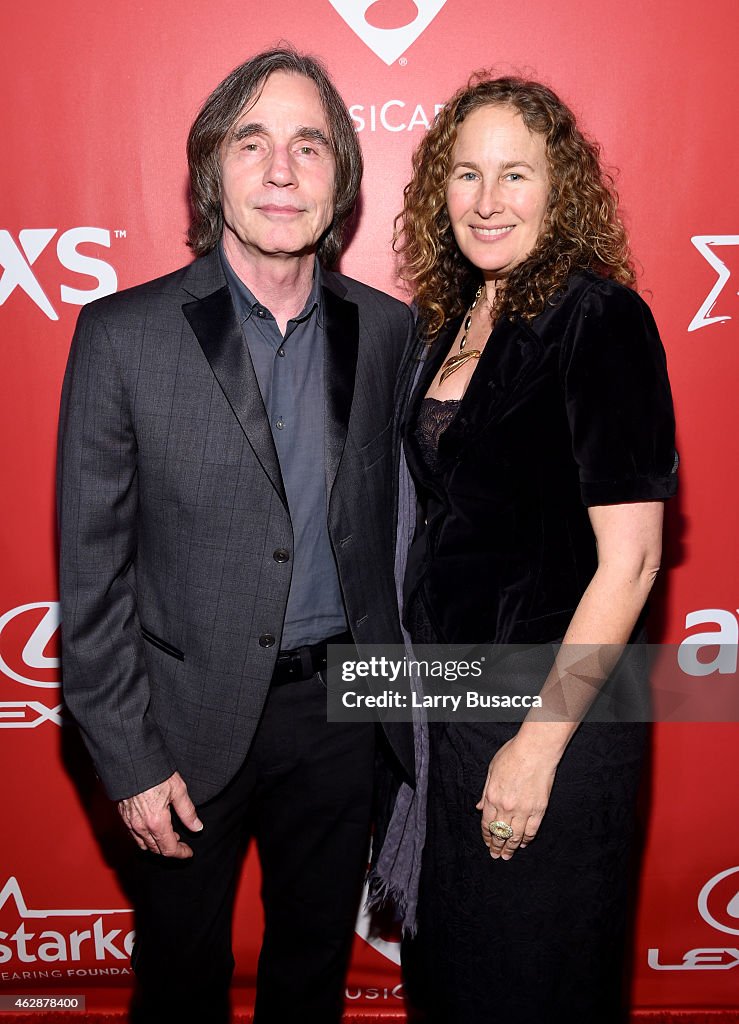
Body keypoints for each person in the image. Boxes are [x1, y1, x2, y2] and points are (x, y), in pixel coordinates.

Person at [57, 48, 414, 1024]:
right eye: (252, 143)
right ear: (212, 169)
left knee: (310, 976)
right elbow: (90, 578)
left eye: (309, 145)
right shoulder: (122, 335)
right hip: (179, 720)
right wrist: (126, 757)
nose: (282, 170)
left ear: (340, 174)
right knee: (180, 981)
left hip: (342, 717)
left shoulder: (388, 332)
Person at [390, 75, 678, 1022]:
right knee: (456, 973)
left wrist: (535, 748)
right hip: (451, 704)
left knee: (532, 977)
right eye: (466, 174)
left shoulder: (599, 320)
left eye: (515, 174)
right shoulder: (449, 324)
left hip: (553, 704)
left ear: (560, 191)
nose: (486, 200)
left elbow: (631, 560)